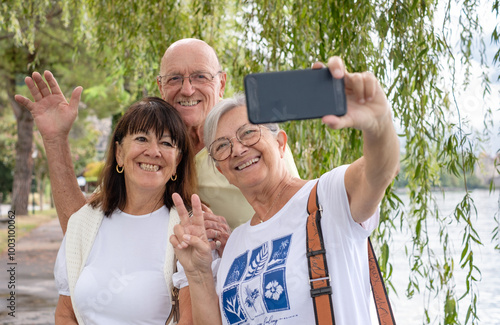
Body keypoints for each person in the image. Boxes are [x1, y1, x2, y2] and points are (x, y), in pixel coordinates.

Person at [170, 56, 400, 324]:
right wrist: (197, 273)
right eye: (222, 146)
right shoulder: (233, 245)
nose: (238, 150)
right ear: (222, 172)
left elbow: (379, 170)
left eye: (248, 133)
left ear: (280, 143)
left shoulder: (327, 198)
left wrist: (378, 122)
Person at [14, 38, 299, 249]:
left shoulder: (253, 140)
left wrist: (233, 246)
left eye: (200, 76)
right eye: (175, 78)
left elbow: (296, 218)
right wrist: (55, 140)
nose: (187, 89)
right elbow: (80, 230)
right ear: (161, 86)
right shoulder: (150, 153)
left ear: (221, 83)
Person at [51, 97, 196, 324]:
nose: (154, 151)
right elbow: (65, 313)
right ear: (119, 153)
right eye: (141, 138)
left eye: (167, 143)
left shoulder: (189, 227)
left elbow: (191, 320)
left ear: (178, 160)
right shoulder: (83, 222)